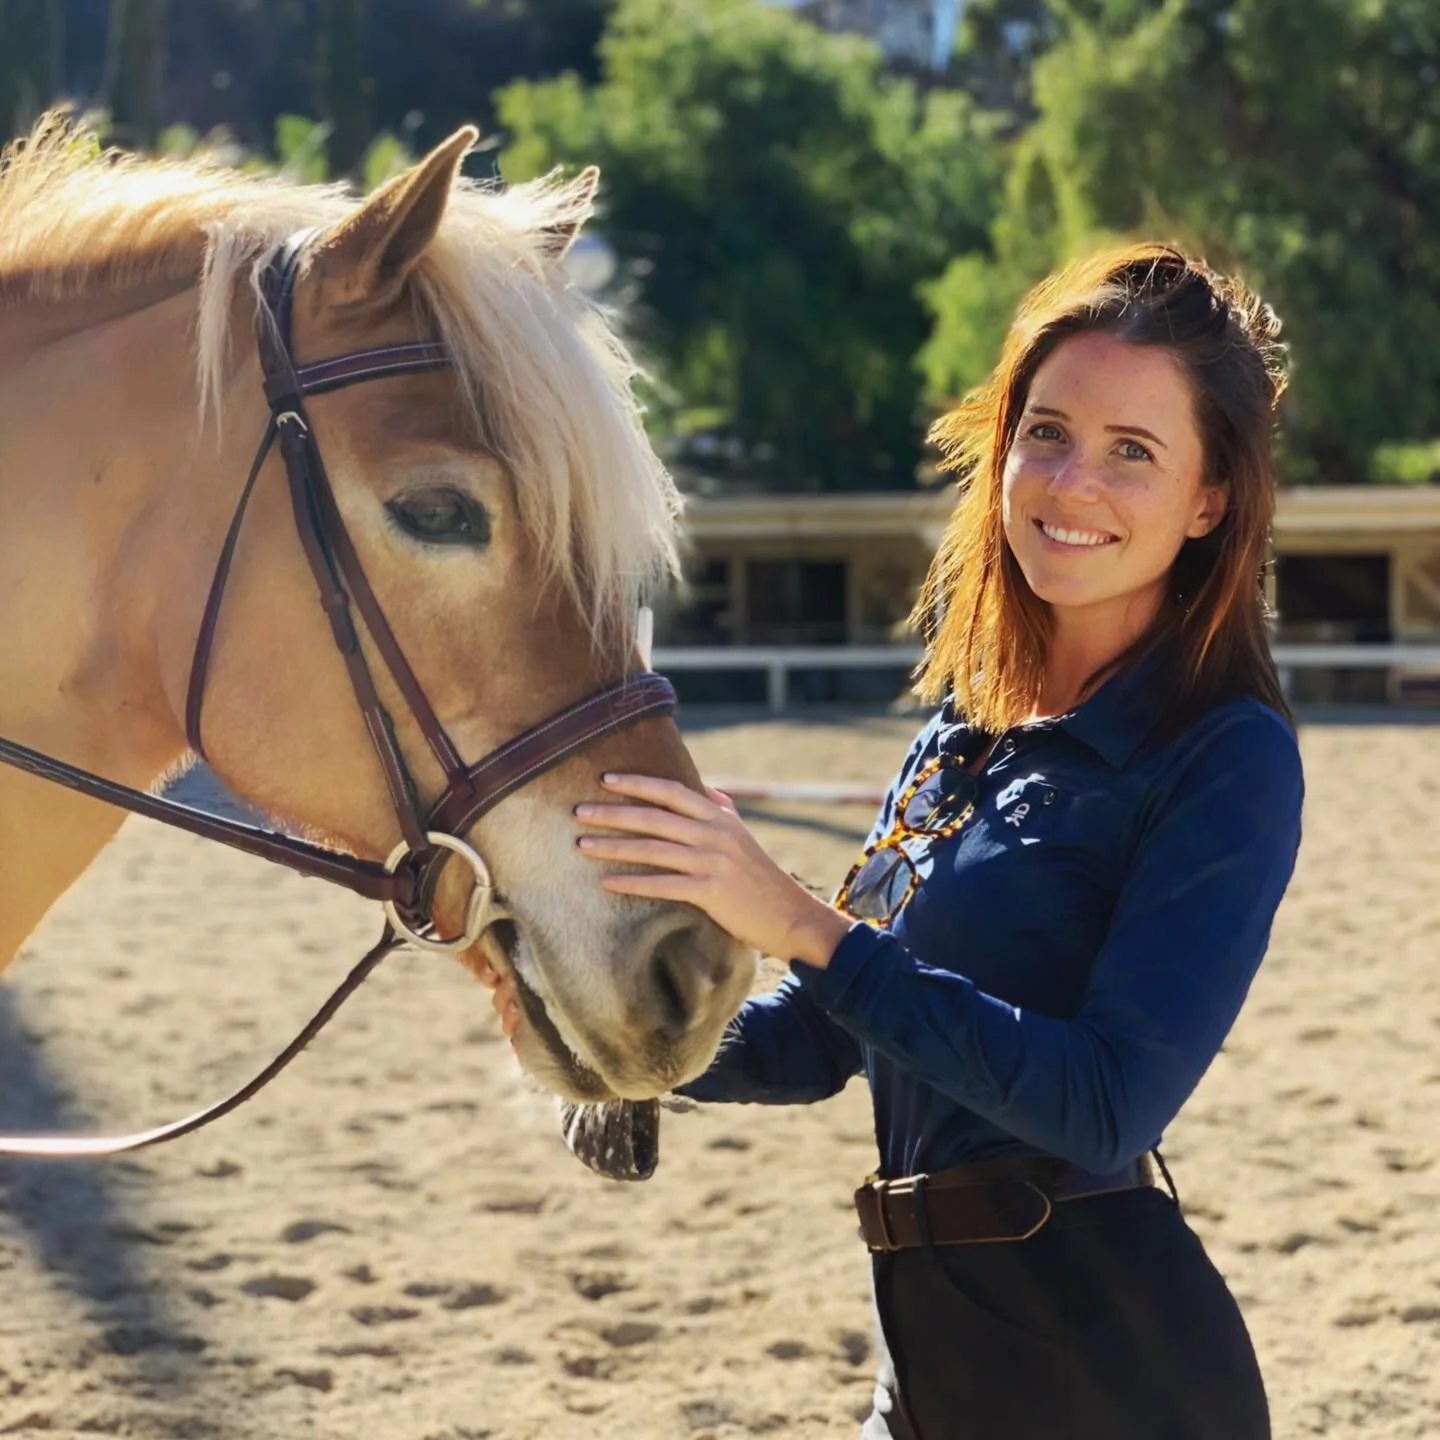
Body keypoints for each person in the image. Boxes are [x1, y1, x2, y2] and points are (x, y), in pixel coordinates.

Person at [487, 243, 1305, 1438]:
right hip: (924, 1371)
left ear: (1210, 501)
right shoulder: (966, 725)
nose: (1072, 482)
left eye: (1135, 452)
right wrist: (620, 1015)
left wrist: (801, 923)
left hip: (1109, 1378)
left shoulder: (1225, 754)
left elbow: (1107, 1103)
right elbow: (827, 1034)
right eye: (1048, 430)